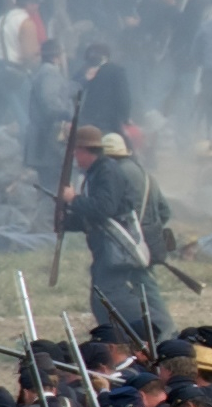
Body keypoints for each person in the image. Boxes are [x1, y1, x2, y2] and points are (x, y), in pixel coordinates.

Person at [64, 127, 170, 339]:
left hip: (122, 245)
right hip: (117, 245)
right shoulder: (103, 172)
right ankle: (121, 338)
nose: (75, 156)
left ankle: (154, 334)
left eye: (77, 151)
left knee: (114, 296)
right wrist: (68, 221)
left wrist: (73, 200)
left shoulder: (108, 171)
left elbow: (104, 209)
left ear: (86, 150)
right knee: (110, 296)